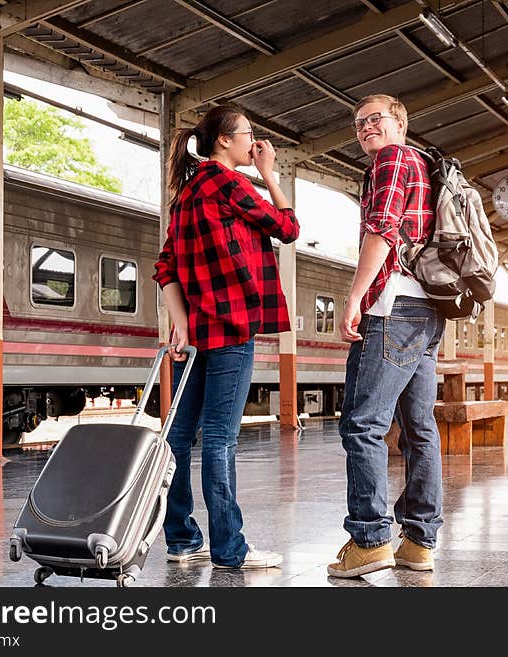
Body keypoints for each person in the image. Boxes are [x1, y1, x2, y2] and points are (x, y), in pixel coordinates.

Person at [153, 105, 299, 569]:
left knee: (177, 437)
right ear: (224, 141)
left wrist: (181, 323)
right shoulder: (231, 184)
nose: (252, 141)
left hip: (195, 336)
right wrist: (268, 173)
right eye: (248, 134)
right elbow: (288, 229)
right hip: (232, 329)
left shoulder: (187, 192)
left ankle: (180, 541)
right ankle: (229, 550)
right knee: (219, 440)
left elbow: (165, 267)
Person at [328, 94, 446, 578]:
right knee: (420, 430)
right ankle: (419, 542)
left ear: (400, 122)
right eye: (359, 124)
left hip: (393, 306)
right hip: (427, 309)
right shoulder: (423, 162)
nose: (365, 128)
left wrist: (355, 297)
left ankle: (370, 537)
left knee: (363, 424)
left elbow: (382, 228)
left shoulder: (394, 158)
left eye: (375, 119)